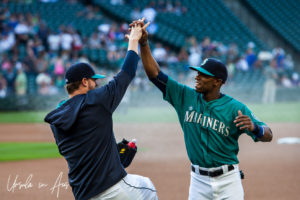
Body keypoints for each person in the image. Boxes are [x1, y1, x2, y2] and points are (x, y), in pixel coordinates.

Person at [131, 20, 273, 200]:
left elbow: (268, 134)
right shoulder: (184, 96)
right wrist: (143, 43)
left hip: (229, 180)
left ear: (217, 81)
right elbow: (155, 75)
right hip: (198, 181)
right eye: (197, 72)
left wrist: (255, 128)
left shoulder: (235, 108)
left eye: (203, 74)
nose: (197, 76)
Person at [44, 20, 158, 200]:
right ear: (84, 82)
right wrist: (134, 40)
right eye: (93, 80)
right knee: (148, 188)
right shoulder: (97, 100)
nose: (96, 83)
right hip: (112, 189)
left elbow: (85, 146)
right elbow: (127, 72)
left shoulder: (56, 117)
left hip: (83, 194)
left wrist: (112, 155)